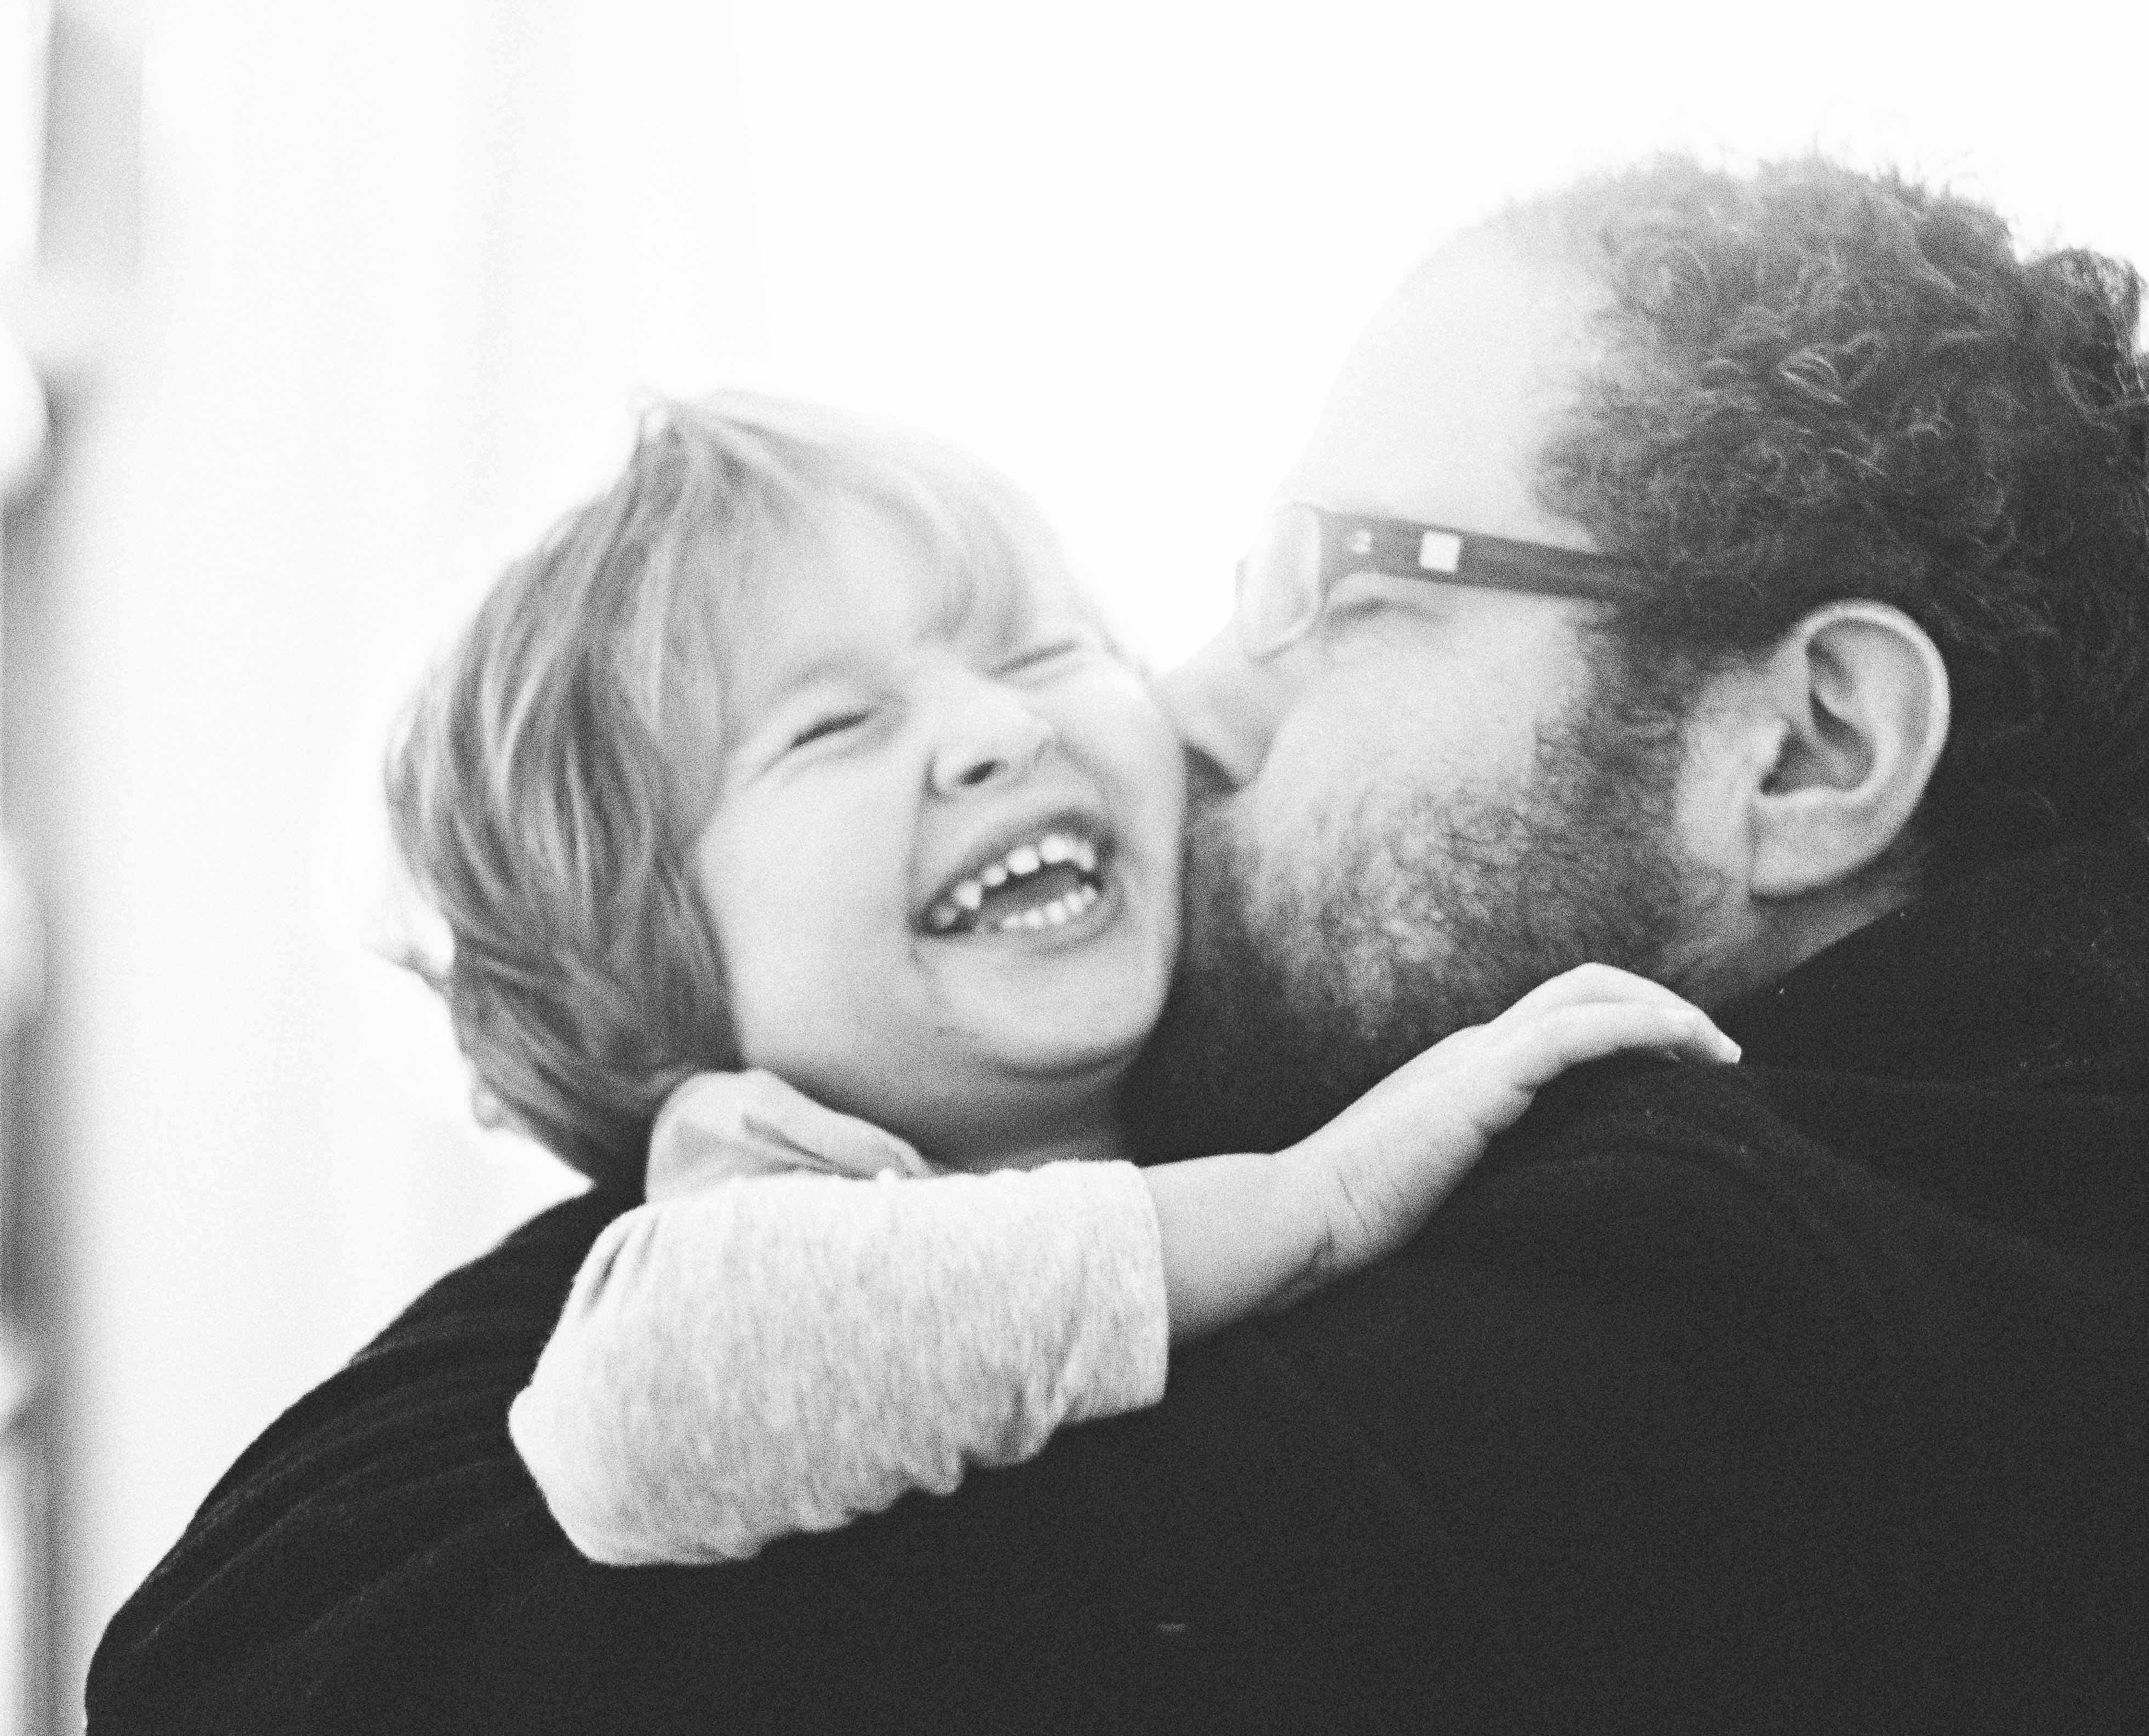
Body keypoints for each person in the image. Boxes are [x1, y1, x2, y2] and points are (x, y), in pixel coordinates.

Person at [84, 154, 2149, 1736]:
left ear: (1809, 748)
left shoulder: (1716, 1347)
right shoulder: (2144, 1242)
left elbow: (278, 1716)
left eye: (1343, 584)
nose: (1185, 703)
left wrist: (739, 1119)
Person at [382, 395, 1734, 1566]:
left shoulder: (1274, 1036)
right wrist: (1308, 1205)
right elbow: (639, 1412)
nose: (996, 726)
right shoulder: (751, 1214)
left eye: (1037, 649)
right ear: (640, 980)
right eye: (834, 724)